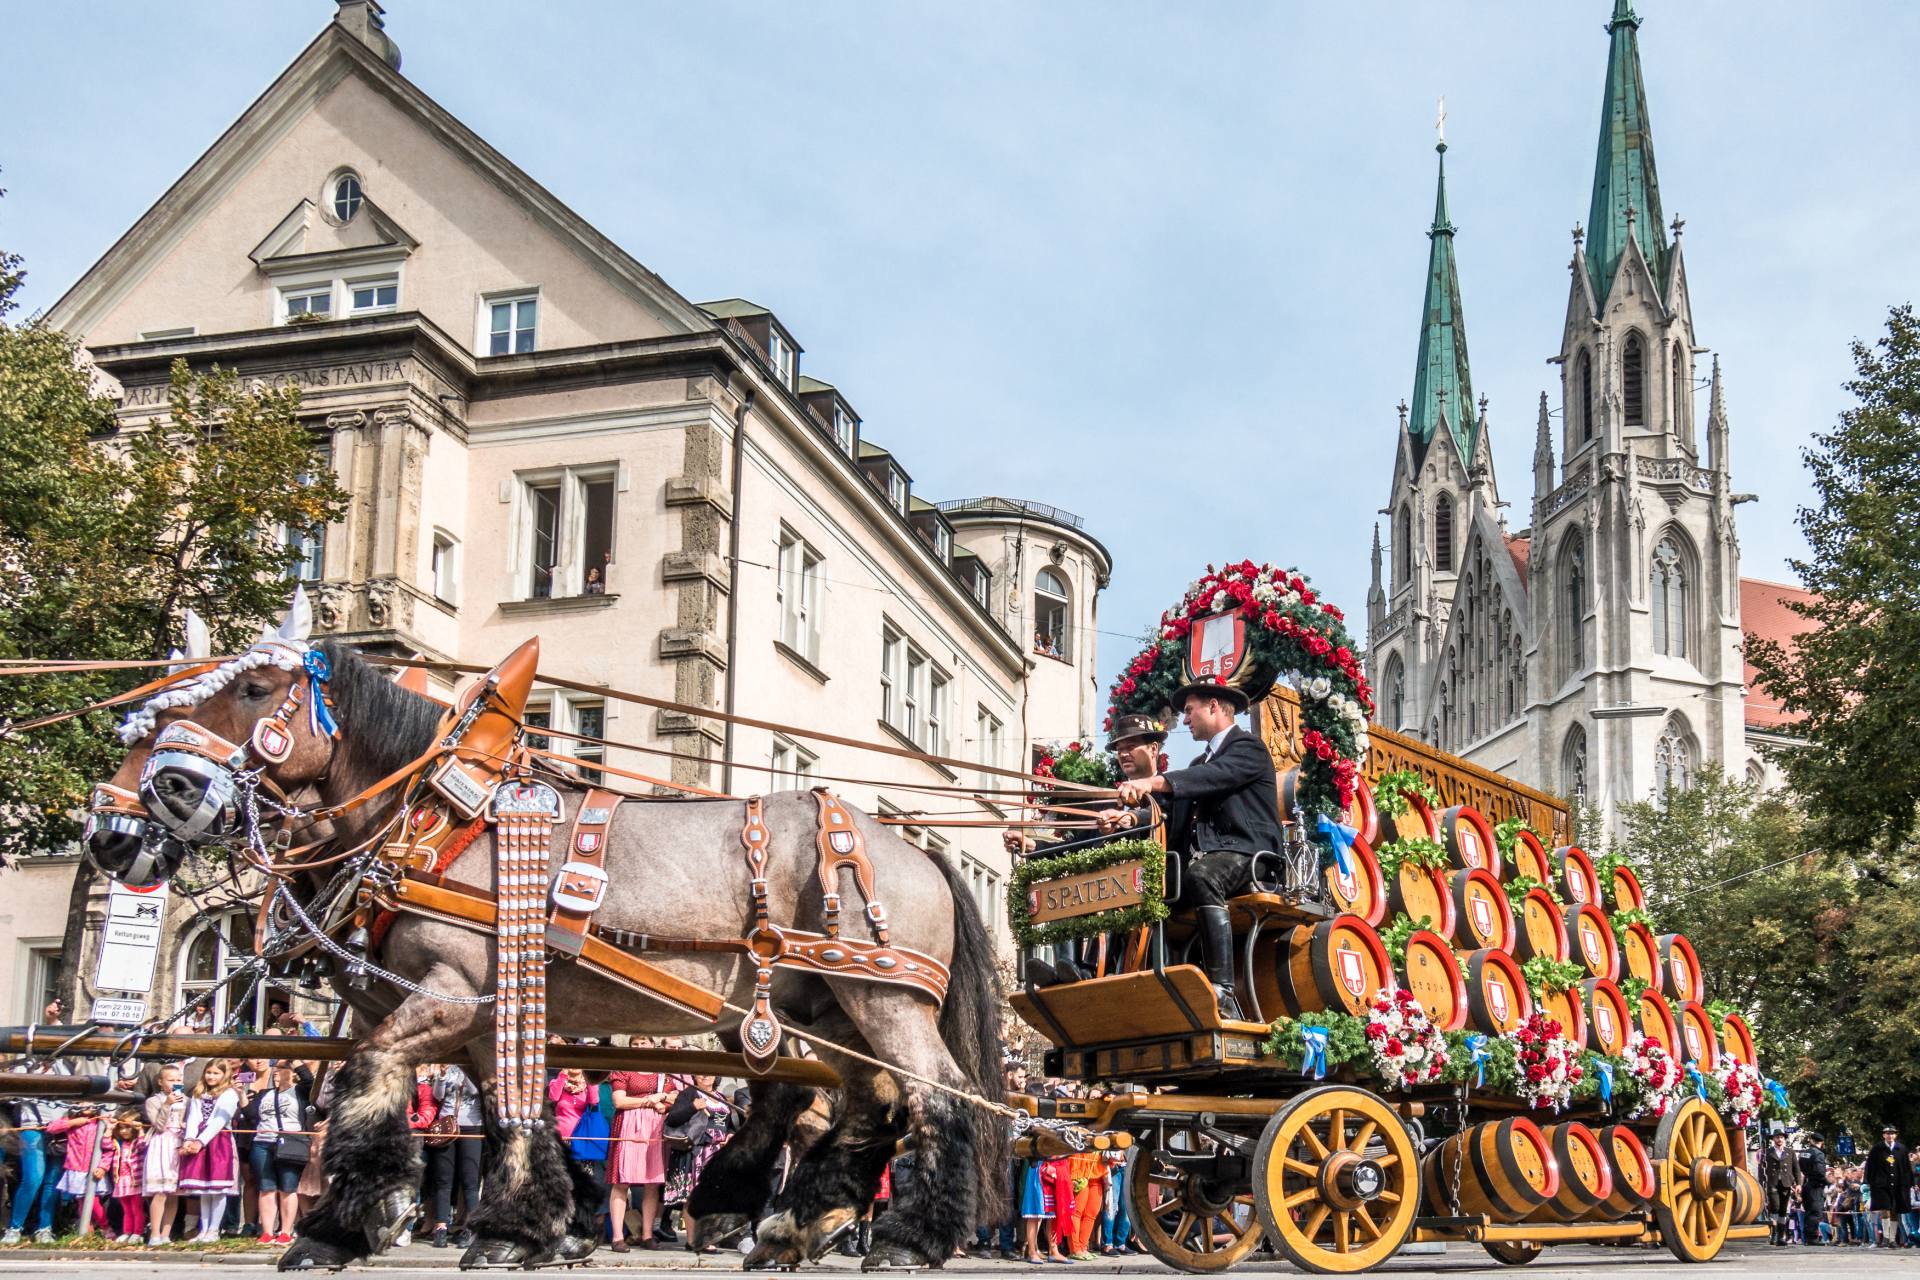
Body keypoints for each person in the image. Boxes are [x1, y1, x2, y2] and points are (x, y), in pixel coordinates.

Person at [1117, 680, 1288, 1020]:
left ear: (1213, 706)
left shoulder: (1248, 748)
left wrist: (1151, 781)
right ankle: (1153, 985)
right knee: (1143, 885)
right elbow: (1168, 808)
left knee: (1202, 876)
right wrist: (1128, 817)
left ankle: (1223, 991)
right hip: (1214, 858)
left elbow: (1214, 776)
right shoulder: (1199, 762)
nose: (1185, 720)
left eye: (1190, 711)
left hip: (1252, 856)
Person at [606, 1052, 678, 1252]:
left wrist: (662, 1098)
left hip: (654, 1127)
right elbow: (619, 1101)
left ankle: (647, 1235)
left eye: (643, 1043)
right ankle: (618, 1237)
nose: (639, 1047)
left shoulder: (662, 1074)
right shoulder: (623, 1070)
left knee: (652, 1183)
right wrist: (649, 1100)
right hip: (628, 1125)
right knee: (621, 1181)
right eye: (635, 1045)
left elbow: (674, 1097)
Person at [178, 1059, 241, 1243]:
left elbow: (220, 1121)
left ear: (224, 1075)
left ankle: (214, 1229)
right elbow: (193, 1117)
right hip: (199, 1139)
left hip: (218, 1141)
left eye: (216, 1073)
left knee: (218, 1189)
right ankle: (203, 1229)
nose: (211, 1076)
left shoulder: (229, 1094)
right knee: (204, 1189)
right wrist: (189, 1139)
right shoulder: (200, 1093)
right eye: (209, 1072)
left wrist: (201, 1141)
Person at [424, 1063, 483, 1249]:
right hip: (446, 1125)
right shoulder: (448, 1069)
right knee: (443, 1179)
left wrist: (467, 1069)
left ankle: (471, 1227)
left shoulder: (475, 1068)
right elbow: (438, 1095)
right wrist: (441, 1077)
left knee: (470, 1181)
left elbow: (475, 1091)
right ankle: (441, 1226)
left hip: (471, 1126)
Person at [252, 1063, 307, 1246]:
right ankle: (267, 1232)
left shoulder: (299, 1091)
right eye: (275, 1067)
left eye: (282, 1067)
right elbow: (252, 1114)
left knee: (288, 1188)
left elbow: (309, 1080)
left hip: (289, 1141)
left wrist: (296, 1063)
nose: (276, 1071)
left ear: (291, 1073)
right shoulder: (265, 1093)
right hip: (263, 1141)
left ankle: (286, 1231)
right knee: (266, 1187)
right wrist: (242, 1096)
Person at [46, 1103, 110, 1233]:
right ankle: (86, 1231)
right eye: (83, 1103)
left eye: (91, 1104)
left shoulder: (100, 1123)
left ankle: (106, 1227)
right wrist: (73, 1122)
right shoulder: (72, 1122)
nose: (86, 1106)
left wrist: (103, 1167)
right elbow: (51, 1128)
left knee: (94, 1201)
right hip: (76, 1168)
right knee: (81, 1201)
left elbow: (109, 1149)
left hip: (93, 1169)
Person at [143, 1063, 187, 1245]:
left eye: (178, 1080)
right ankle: (154, 1232)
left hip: (178, 1144)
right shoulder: (153, 1101)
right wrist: (167, 1104)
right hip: (161, 1144)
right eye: (171, 1080)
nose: (175, 1083)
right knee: (160, 1191)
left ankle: (166, 1233)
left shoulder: (187, 1100)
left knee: (173, 1193)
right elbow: (159, 1126)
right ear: (161, 1082)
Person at [101, 1109, 148, 1243]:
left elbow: (142, 1146)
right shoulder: (118, 1143)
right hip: (120, 1181)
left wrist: (140, 1131)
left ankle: (138, 1232)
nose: (123, 1131)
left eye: (127, 1128)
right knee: (126, 1209)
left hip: (134, 1181)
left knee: (136, 1208)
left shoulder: (136, 1142)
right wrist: (110, 1128)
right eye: (121, 1128)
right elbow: (106, 1144)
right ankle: (127, 1231)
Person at [1866, 1126, 1912, 1248]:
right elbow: (1870, 1166)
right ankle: (1886, 1238)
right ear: (1883, 1135)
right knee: (1884, 1208)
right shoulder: (1877, 1149)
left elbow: (1907, 1167)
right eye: (1887, 1133)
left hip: (1898, 1184)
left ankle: (1892, 1239)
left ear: (1895, 1135)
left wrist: (1909, 1183)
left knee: (1894, 1211)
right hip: (1881, 1185)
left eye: (1892, 1133)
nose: (1890, 1135)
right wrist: (1868, 1181)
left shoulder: (1901, 1149)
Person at [1760, 1129, 1798, 1245]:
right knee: (1775, 1208)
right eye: (1777, 1137)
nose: (1779, 1139)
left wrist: (1798, 1184)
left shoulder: (1790, 1152)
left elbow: (1796, 1169)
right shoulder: (1767, 1152)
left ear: (1784, 1139)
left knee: (1782, 1210)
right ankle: (1774, 1233)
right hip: (1773, 1183)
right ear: (1773, 1139)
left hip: (1786, 1184)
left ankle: (1781, 1236)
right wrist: (1762, 1184)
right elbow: (1762, 1170)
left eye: (1781, 1137)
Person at [1800, 1133, 1830, 1245]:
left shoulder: (1804, 1153)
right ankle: (1812, 1238)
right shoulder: (1819, 1154)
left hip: (1806, 1184)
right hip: (1815, 1186)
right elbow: (1820, 1172)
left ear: (1811, 1140)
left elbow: (1802, 1168)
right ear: (1821, 1142)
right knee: (1815, 1212)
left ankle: (1807, 1238)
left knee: (1808, 1212)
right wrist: (1827, 1182)